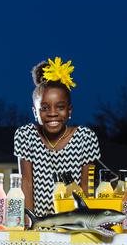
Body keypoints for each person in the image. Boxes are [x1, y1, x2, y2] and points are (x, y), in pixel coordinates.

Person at [14, 57, 101, 217]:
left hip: (73, 224)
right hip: (39, 224)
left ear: (70, 111)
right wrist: (31, 222)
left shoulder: (86, 138)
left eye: (60, 107)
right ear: (35, 112)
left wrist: (83, 223)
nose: (53, 113)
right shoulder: (25, 135)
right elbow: (25, 182)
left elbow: (87, 186)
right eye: (44, 108)